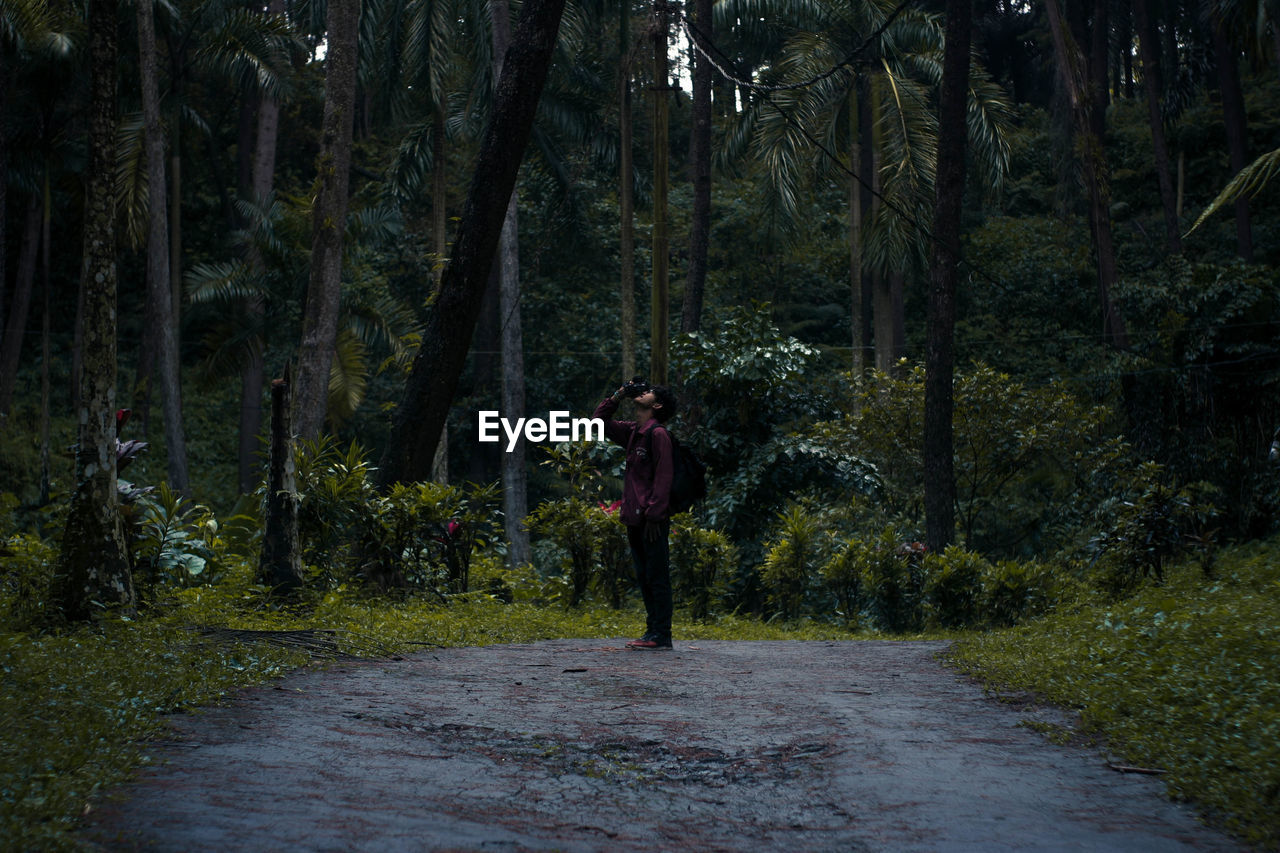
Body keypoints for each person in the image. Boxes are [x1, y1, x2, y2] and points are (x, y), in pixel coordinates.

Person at [594, 379, 677, 650]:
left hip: (651, 520)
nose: (641, 393)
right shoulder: (633, 432)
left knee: (657, 575)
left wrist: (655, 516)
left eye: (648, 393)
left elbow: (664, 477)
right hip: (634, 517)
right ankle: (652, 632)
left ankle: (661, 634)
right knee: (644, 575)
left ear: (657, 405)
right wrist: (618, 394)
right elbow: (598, 421)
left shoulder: (658, 434)